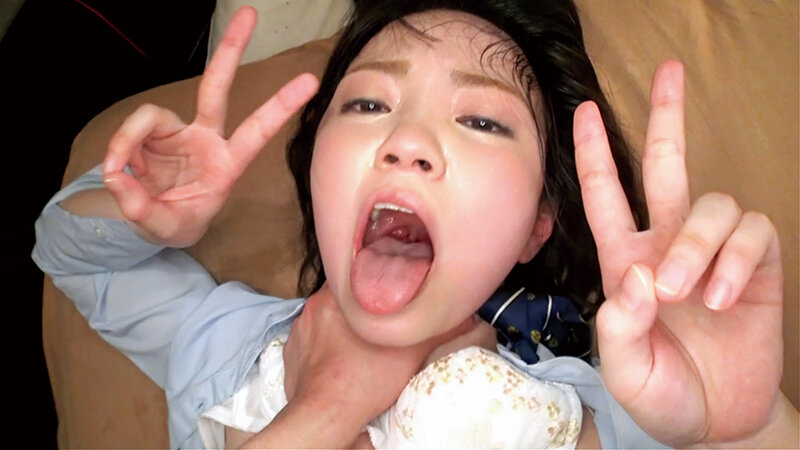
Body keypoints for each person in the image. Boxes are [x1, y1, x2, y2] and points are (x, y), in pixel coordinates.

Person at [33, 1, 798, 448]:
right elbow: (78, 259)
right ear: (314, 173)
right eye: (368, 104)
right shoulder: (230, 340)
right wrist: (141, 212)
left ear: (536, 228)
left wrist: (749, 430)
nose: (407, 141)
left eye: (481, 121)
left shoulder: (614, 409)